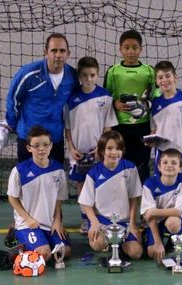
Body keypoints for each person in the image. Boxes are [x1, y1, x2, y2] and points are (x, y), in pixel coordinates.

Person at [5, 33, 80, 164]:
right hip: (28, 137)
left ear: (68, 53)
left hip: (54, 138)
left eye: (62, 51)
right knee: (28, 181)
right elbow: (13, 100)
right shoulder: (28, 74)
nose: (58, 55)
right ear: (46, 52)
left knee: (54, 180)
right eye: (54, 50)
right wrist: (13, 125)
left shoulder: (72, 76)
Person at [64, 56, 118, 234]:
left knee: (100, 184)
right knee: (82, 185)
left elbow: (108, 125)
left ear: (97, 75)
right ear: (79, 76)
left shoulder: (105, 96)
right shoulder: (70, 98)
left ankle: (101, 217)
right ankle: (86, 219)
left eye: (92, 75)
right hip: (78, 153)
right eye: (85, 75)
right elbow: (68, 127)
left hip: (98, 152)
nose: (88, 79)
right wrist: (71, 148)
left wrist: (102, 148)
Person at [7, 126, 71, 261]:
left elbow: (58, 199)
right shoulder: (20, 171)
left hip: (49, 222)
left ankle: (41, 240)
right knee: (44, 254)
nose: (41, 149)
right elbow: (12, 198)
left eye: (45, 145)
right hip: (28, 223)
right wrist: (28, 219)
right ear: (29, 148)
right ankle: (17, 234)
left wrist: (58, 221)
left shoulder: (58, 169)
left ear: (51, 146)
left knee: (65, 252)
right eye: (36, 146)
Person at [104, 29, 159, 183]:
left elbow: (156, 97)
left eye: (135, 47)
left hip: (143, 126)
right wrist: (115, 104)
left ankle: (143, 201)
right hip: (120, 126)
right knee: (120, 162)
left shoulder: (149, 71)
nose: (130, 52)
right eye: (126, 48)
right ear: (120, 49)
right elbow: (106, 97)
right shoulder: (113, 71)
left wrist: (147, 106)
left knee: (141, 164)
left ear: (141, 49)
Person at [78, 130, 143, 260]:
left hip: (124, 221)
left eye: (118, 148)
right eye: (109, 148)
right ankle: (111, 242)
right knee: (97, 245)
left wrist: (132, 223)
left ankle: (121, 243)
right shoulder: (94, 172)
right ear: (102, 151)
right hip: (103, 220)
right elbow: (85, 203)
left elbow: (134, 199)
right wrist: (95, 223)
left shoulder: (130, 168)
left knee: (136, 253)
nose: (114, 152)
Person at [140, 148, 182, 264]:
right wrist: (157, 243)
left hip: (171, 219)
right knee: (152, 253)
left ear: (181, 168)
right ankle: (152, 238)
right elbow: (150, 218)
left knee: (173, 224)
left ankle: (173, 242)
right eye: (165, 162)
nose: (169, 166)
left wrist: (154, 212)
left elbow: (179, 212)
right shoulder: (149, 184)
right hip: (154, 222)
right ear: (159, 167)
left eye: (174, 163)